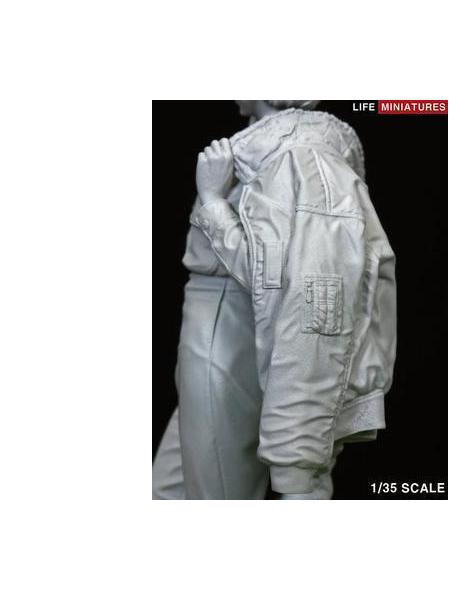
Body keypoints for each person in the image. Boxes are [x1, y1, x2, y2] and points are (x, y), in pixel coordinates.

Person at [153, 101, 396, 500]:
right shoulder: (268, 149)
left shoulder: (297, 155)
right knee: (170, 488)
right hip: (220, 335)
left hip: (229, 336)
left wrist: (213, 203)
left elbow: (293, 284)